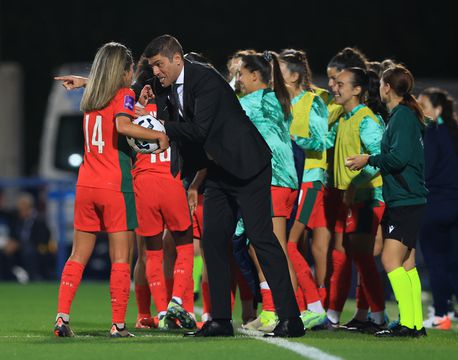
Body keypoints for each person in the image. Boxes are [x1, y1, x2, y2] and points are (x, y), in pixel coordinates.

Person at [143, 34, 303, 337]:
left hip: (248, 166)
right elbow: (139, 87)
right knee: (214, 241)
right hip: (218, 170)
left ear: (177, 59)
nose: (155, 72)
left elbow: (200, 130)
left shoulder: (205, 79)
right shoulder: (165, 84)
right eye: (152, 67)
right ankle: (219, 320)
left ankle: (291, 318)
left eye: (159, 65)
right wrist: (93, 84)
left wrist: (161, 127)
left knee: (262, 238)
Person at [53, 42, 169, 338]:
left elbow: (116, 106)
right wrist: (159, 136)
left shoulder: (91, 97)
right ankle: (118, 324)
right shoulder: (124, 94)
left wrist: (84, 82)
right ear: (126, 70)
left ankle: (61, 318)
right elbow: (122, 125)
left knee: (77, 256)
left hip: (86, 185)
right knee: (121, 259)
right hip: (115, 186)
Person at [345, 65, 428, 337]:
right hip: (406, 198)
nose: (379, 88)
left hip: (405, 199)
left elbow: (398, 159)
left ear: (387, 87)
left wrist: (367, 159)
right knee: (406, 264)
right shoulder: (403, 114)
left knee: (391, 261)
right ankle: (414, 323)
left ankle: (409, 325)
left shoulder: (402, 115)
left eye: (381, 83)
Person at [234, 51, 298, 332]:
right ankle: (274, 310)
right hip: (284, 179)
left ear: (255, 76)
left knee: (273, 248)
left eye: (241, 74)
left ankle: (286, 312)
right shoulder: (277, 98)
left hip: (272, 179)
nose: (238, 79)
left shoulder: (250, 102)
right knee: (261, 246)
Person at [327, 67, 387, 333]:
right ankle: (347, 315)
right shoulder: (345, 117)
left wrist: (356, 184)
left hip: (367, 196)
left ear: (357, 90)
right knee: (347, 256)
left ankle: (378, 317)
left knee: (362, 257)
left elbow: (380, 159)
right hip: (348, 196)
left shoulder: (366, 119)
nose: (334, 87)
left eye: (340, 84)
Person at [278, 49, 329, 329]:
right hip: (293, 179)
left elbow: (321, 140)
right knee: (288, 243)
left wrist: (293, 138)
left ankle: (314, 304)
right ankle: (303, 306)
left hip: (310, 179)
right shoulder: (283, 102)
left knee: (291, 243)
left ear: (295, 75)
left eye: (282, 71)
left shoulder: (314, 101)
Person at [417, 88, 458, 330]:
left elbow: (426, 171)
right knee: (453, 260)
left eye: (424, 104)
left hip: (436, 206)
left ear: (437, 109)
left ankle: (441, 314)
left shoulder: (434, 133)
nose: (420, 108)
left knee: (436, 261)